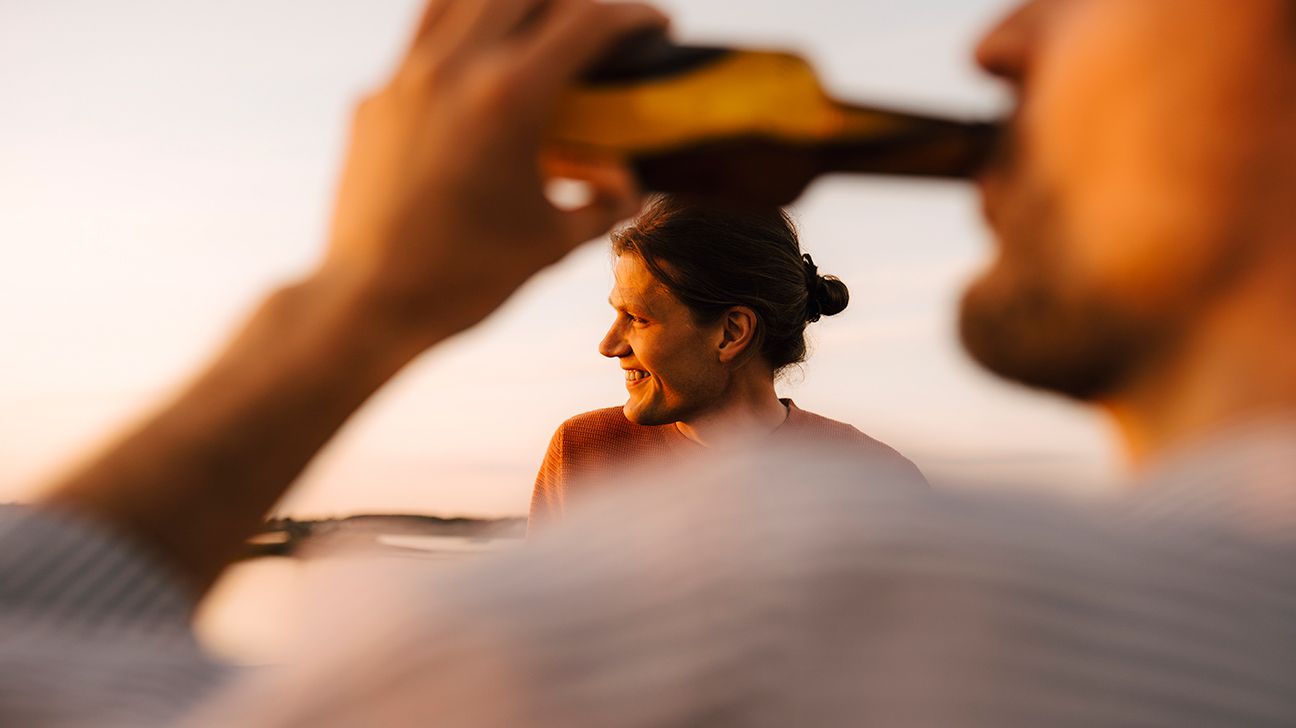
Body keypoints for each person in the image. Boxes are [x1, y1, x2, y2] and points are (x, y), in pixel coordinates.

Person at [5, 0, 1296, 725]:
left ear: (733, 331)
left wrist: (360, 301)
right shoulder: (608, 468)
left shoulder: (794, 582)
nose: (997, 45)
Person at [530, 196, 925, 526]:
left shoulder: (880, 482)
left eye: (637, 318)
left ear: (732, 333)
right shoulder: (581, 452)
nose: (609, 345)